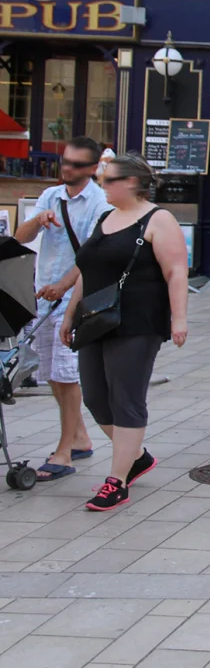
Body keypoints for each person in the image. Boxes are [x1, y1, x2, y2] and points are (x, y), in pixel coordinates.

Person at [60, 154, 189, 512]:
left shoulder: (158, 219)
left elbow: (177, 270)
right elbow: (88, 270)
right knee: (95, 398)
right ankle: (137, 456)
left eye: (109, 179)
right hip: (96, 320)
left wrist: (179, 319)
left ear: (131, 183)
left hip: (138, 322)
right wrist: (70, 313)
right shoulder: (106, 218)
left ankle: (116, 482)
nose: (103, 184)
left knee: (125, 399)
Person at [15, 136, 110, 481]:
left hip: (74, 301)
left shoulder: (99, 204)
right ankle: (81, 438)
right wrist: (39, 218)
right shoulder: (50, 196)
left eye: (74, 164)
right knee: (53, 377)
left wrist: (64, 287)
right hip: (42, 297)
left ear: (91, 169)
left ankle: (65, 452)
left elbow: (91, 258)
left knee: (66, 377)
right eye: (64, 161)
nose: (66, 168)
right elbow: (20, 237)